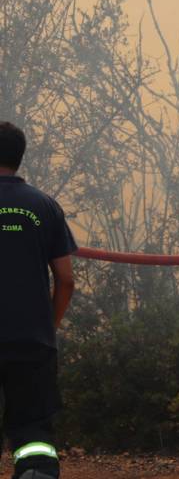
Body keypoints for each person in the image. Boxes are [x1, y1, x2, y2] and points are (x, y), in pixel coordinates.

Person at [0, 122, 77, 479]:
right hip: (33, 341)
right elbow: (65, 278)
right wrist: (50, 324)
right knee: (33, 432)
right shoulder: (44, 206)